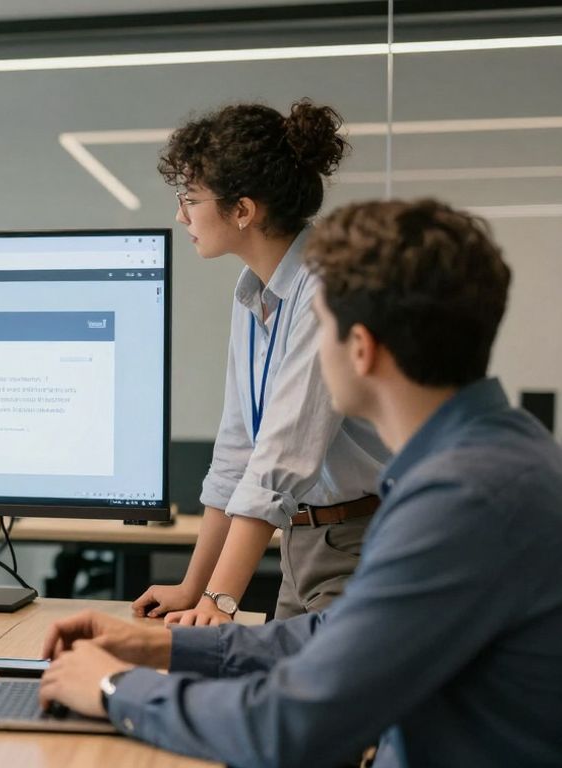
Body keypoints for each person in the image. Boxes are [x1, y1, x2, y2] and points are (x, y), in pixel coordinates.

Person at [38, 199, 562, 767]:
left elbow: (289, 725)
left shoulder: (466, 500)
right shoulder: (486, 461)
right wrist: (160, 644)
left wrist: (115, 689)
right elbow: (337, 636)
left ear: (360, 349)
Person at [134, 100, 390, 626]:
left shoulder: (325, 288)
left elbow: (282, 458)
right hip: (301, 539)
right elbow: (238, 450)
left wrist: (220, 602)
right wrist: (195, 586)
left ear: (243, 211)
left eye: (191, 200)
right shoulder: (255, 293)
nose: (181, 215)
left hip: (361, 544)